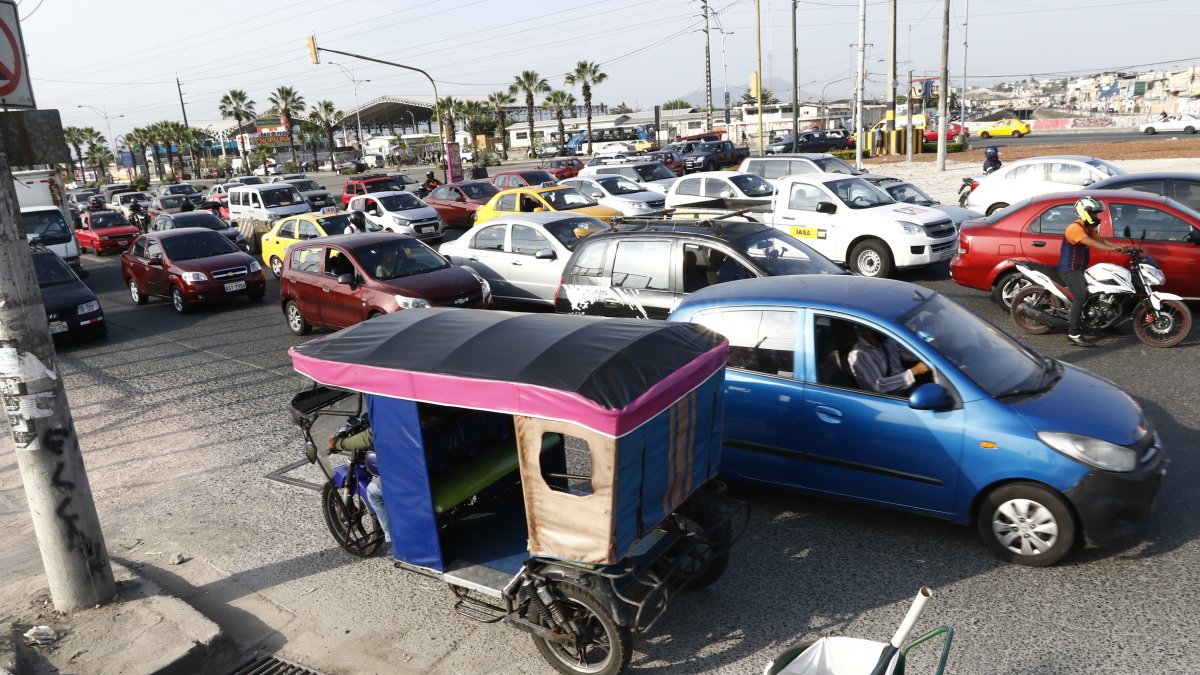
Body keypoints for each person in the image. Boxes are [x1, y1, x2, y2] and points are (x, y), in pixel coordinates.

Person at [1058, 196, 1128, 347]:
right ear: (1085, 213)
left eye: (1097, 213)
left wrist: (1122, 248)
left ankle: (1104, 323)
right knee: (1080, 296)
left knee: (1103, 290)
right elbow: (1092, 243)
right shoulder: (1074, 229)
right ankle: (1073, 334)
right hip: (1070, 269)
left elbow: (1101, 240)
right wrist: (1114, 249)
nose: (1097, 216)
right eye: (1095, 213)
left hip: (1080, 268)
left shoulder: (1087, 228)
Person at [328, 419, 391, 548]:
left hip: (415, 473)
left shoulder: (394, 408)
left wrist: (340, 443)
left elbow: (370, 435)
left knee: (373, 492)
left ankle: (395, 543)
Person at [846, 327, 929, 396]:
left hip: (909, 390)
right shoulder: (859, 355)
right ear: (867, 330)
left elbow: (908, 355)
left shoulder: (888, 341)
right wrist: (914, 371)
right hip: (892, 399)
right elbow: (878, 386)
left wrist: (926, 352)